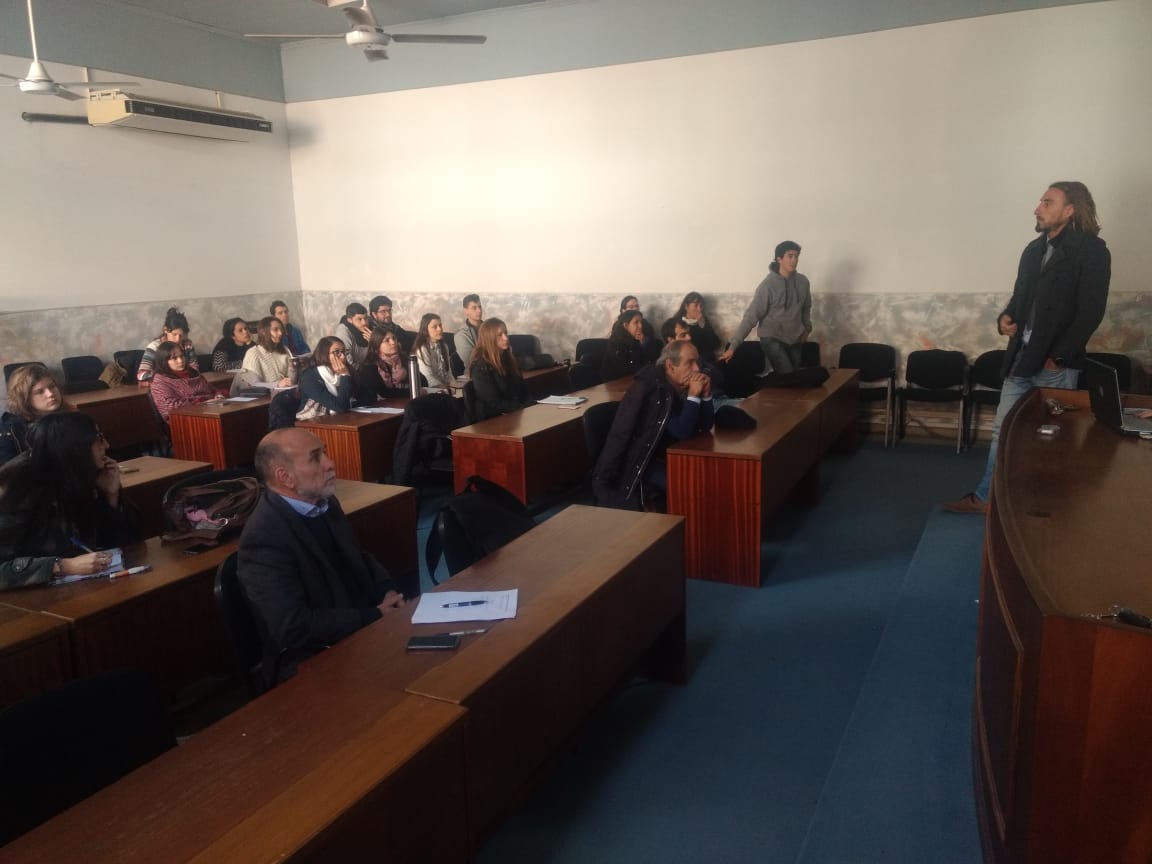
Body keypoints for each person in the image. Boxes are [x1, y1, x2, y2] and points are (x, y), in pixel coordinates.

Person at [945, 181, 1111, 514]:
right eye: (1040, 203)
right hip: (1021, 358)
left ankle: (1046, 505)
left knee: (1051, 435)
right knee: (1003, 431)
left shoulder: (1092, 251)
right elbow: (1020, 299)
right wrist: (1005, 318)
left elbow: (1090, 312)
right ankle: (988, 499)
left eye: (1048, 203)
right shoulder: (1033, 250)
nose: (1037, 209)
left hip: (1056, 365)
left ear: (1070, 210)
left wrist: (1059, 357)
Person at [237, 428, 405, 686]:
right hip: (315, 658)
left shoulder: (325, 503)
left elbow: (360, 557)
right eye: (315, 458)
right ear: (285, 477)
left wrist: (387, 590)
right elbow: (294, 626)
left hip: (361, 629)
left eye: (324, 452)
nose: (330, 463)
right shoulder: (263, 538)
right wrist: (373, 615)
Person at [0, 412, 139, 590]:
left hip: (76, 587)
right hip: (27, 596)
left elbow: (121, 544)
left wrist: (111, 496)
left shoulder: (81, 473)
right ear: (75, 446)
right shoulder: (17, 488)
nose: (106, 445)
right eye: (98, 439)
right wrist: (62, 566)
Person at [592, 341, 715, 510]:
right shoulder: (654, 390)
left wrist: (706, 395)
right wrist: (693, 396)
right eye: (690, 363)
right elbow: (682, 431)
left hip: (668, 454)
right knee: (689, 487)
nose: (697, 369)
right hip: (643, 460)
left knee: (710, 476)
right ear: (670, 366)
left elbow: (705, 426)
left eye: (697, 362)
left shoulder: (677, 385)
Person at [720, 240, 812, 374]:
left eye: (796, 256)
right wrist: (732, 347)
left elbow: (806, 307)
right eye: (790, 256)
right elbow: (751, 317)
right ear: (779, 259)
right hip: (772, 338)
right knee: (788, 375)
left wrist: (807, 328)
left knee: (794, 377)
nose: (794, 260)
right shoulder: (767, 286)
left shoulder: (803, 282)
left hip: (795, 338)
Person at [0, 364, 69, 465]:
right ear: (24, 398)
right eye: (39, 392)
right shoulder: (10, 431)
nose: (50, 394)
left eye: (52, 386)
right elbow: (8, 471)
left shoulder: (69, 416)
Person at [469, 318, 533, 420]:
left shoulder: (508, 360)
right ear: (489, 338)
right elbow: (494, 403)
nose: (506, 338)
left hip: (515, 414)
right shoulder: (480, 367)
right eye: (500, 335)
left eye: (506, 333)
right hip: (494, 420)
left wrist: (531, 405)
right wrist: (522, 407)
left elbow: (523, 390)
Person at [147, 341, 220, 423]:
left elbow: (212, 389)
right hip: (184, 421)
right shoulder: (159, 381)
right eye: (174, 358)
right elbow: (169, 407)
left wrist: (219, 396)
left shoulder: (192, 372)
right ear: (164, 361)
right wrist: (203, 402)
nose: (180, 360)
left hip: (210, 411)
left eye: (182, 356)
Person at [137, 307, 198, 383]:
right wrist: (168, 377)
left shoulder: (187, 346)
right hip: (163, 384)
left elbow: (195, 370)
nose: (177, 339)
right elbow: (141, 375)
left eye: (181, 335)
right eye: (174, 334)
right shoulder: (154, 347)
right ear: (165, 330)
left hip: (184, 383)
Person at [297, 337, 354, 416]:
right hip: (312, 421)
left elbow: (358, 398)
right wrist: (344, 375)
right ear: (324, 354)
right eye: (336, 352)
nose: (343, 357)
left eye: (344, 352)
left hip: (339, 419)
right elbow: (340, 406)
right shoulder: (309, 377)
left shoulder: (345, 370)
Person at [237, 315, 296, 391]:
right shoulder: (253, 353)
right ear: (263, 332)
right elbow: (254, 384)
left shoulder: (285, 349)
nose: (280, 333)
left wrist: (295, 371)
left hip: (286, 392)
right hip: (265, 395)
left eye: (281, 329)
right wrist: (277, 384)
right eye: (275, 330)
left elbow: (291, 378)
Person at [601, 310, 660, 381]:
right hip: (615, 381)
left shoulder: (641, 337)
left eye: (641, 322)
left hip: (635, 377)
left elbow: (652, 360)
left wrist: (644, 344)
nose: (640, 326)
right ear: (626, 326)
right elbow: (626, 368)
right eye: (636, 322)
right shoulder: (616, 341)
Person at [355, 328, 410, 402]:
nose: (393, 342)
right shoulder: (369, 366)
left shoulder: (403, 359)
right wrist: (411, 392)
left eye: (394, 338)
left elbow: (423, 381)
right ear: (377, 345)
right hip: (379, 406)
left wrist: (406, 375)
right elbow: (383, 392)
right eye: (387, 340)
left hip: (403, 402)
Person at [674, 292, 723, 360]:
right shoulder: (678, 323)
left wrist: (703, 325)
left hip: (707, 358)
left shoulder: (703, 320)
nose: (699, 309)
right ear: (686, 306)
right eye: (696, 305)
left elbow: (716, 344)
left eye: (701, 306)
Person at [413, 312, 455, 392]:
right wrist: (446, 389)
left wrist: (455, 385)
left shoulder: (444, 346)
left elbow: (448, 373)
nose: (439, 329)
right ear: (425, 330)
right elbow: (428, 377)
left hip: (445, 387)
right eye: (434, 327)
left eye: (440, 325)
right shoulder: (422, 349)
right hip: (432, 389)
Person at [333, 303, 372, 367]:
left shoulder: (370, 326)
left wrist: (374, 342)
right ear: (350, 320)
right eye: (359, 319)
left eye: (365, 318)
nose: (364, 323)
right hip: (354, 370)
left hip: (368, 366)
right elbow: (347, 360)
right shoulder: (343, 330)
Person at [456, 294, 484, 371]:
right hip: (476, 373)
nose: (479, 310)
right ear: (466, 311)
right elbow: (471, 361)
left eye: (480, 307)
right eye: (474, 308)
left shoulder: (490, 328)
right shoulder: (461, 335)